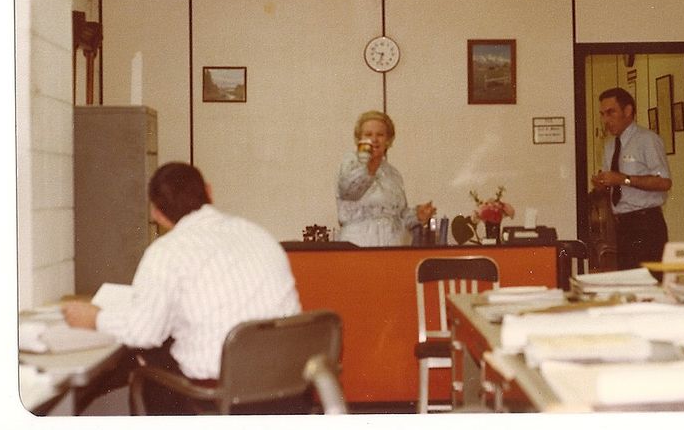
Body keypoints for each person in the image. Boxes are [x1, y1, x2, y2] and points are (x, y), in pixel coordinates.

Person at [62, 162, 302, 414]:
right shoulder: (258, 235)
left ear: (157, 214)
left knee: (142, 357)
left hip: (217, 392)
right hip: (287, 385)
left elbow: (144, 333)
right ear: (209, 192)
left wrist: (95, 318)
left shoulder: (165, 252)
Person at [591, 87, 672, 270]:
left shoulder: (647, 140)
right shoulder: (610, 146)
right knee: (629, 283)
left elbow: (664, 182)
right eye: (603, 114)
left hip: (646, 225)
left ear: (627, 111)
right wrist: (602, 184)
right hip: (621, 226)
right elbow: (613, 185)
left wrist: (623, 179)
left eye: (611, 112)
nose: (606, 120)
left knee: (649, 284)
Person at [336, 110, 436, 247]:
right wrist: (369, 168)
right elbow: (349, 191)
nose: (374, 139)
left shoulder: (393, 173)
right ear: (359, 139)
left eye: (380, 135)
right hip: (358, 244)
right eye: (368, 134)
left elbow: (399, 216)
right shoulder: (351, 162)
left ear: (388, 140)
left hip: (392, 245)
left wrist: (417, 216)